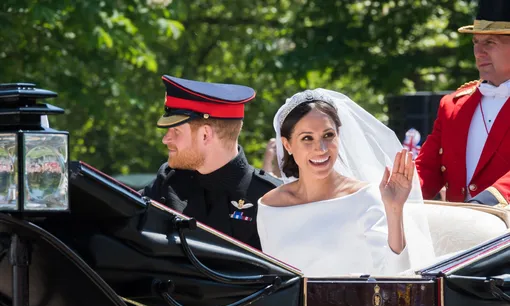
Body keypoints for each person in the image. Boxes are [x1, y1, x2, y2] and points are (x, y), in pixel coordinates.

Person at [256, 89, 435, 276]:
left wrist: (394, 210)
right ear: (287, 145)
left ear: (339, 135)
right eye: (307, 138)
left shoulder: (366, 197)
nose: (321, 149)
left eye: (328, 135)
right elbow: (273, 279)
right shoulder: (270, 206)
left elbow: (396, 276)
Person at [141, 75, 281, 250]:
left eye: (176, 130)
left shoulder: (271, 198)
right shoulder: (167, 185)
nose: (165, 139)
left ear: (205, 135)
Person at [416, 0, 510, 207]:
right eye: (476, 42)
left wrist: (484, 204)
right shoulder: (452, 105)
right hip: (459, 232)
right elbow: (427, 169)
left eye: (490, 43)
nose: (479, 52)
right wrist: (395, 193)